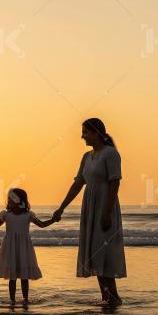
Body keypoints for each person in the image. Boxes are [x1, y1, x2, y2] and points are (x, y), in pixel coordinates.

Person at [53, 118, 126, 305]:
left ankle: (113, 298)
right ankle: (107, 298)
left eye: (85, 132)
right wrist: (61, 208)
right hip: (90, 208)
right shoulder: (87, 157)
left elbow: (114, 182)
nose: (82, 136)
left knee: (104, 254)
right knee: (95, 254)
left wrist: (107, 212)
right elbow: (78, 183)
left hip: (104, 207)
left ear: (96, 133)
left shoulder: (110, 154)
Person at [0, 188, 57, 304]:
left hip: (24, 247)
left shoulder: (28, 215)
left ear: (19, 200)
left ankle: (26, 300)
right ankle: (12, 301)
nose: (9, 201)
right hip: (10, 247)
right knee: (12, 277)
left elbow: (42, 224)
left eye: (11, 199)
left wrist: (53, 220)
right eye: (8, 199)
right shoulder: (6, 215)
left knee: (24, 276)